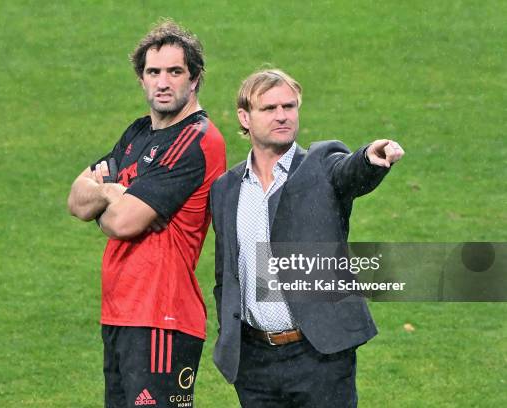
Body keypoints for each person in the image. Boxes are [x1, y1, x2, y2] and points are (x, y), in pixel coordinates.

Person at [210, 69, 404, 407]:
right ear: (245, 117)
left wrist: (370, 158)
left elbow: (350, 172)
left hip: (319, 356)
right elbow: (226, 274)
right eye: (269, 108)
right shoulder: (226, 188)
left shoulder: (321, 165)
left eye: (289, 106)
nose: (282, 115)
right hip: (254, 363)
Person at [68, 20, 226, 408]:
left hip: (162, 316)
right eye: (153, 72)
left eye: (175, 71)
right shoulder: (138, 134)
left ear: (195, 79)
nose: (163, 82)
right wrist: (113, 192)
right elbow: (76, 199)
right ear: (141, 78)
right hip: (122, 313)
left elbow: (122, 224)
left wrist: (107, 206)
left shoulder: (196, 139)